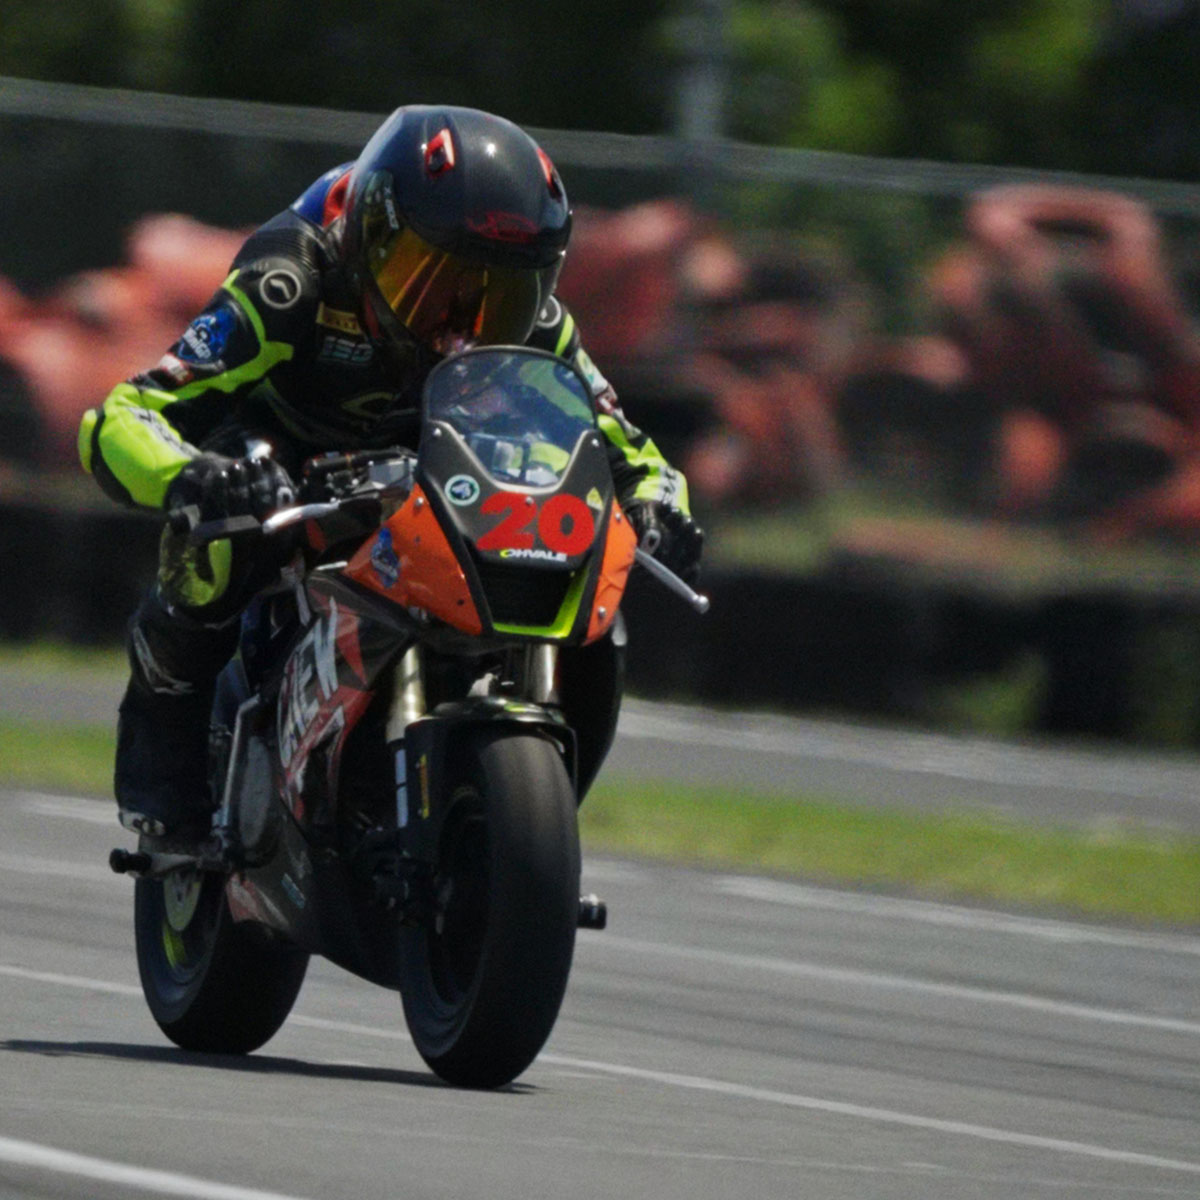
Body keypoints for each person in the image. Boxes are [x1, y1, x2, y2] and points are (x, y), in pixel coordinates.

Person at [78, 105, 703, 839]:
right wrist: (194, 476)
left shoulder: (542, 328)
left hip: (437, 455)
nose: (459, 326)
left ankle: (509, 814)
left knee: (588, 590)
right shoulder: (290, 278)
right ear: (370, 240)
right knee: (219, 548)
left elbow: (628, 447)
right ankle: (167, 785)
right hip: (280, 448)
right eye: (432, 283)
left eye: (499, 297)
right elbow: (126, 413)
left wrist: (659, 505)